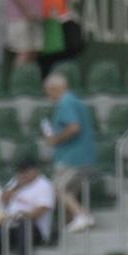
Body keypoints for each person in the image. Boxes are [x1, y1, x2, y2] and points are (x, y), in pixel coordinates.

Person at [42, 72, 97, 233]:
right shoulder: (76, 101)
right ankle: (71, 222)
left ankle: (82, 216)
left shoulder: (66, 103)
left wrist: (55, 139)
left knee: (58, 188)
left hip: (72, 157)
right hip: (83, 156)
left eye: (48, 91)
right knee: (69, 192)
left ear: (55, 88)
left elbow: (74, 127)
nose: (48, 95)